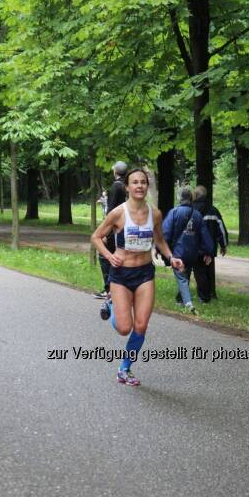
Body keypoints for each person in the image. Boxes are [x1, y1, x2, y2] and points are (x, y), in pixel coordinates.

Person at [91, 167, 183, 387]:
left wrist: (171, 257)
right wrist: (108, 255)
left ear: (147, 186)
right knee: (124, 328)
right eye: (135, 182)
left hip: (144, 274)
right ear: (127, 187)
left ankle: (125, 369)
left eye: (143, 182)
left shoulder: (155, 213)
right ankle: (112, 304)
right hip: (121, 275)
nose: (139, 186)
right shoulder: (118, 213)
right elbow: (95, 237)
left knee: (140, 326)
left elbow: (159, 240)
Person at [162, 187, 214, 314]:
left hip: (178, 253)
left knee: (182, 277)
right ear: (191, 198)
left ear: (179, 198)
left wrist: (161, 249)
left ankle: (186, 302)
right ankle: (181, 299)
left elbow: (166, 233)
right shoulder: (197, 214)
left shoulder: (174, 213)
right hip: (192, 253)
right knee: (184, 274)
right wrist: (209, 251)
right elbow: (204, 234)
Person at [93, 161, 128, 300]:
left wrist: (105, 233)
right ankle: (117, 287)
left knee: (104, 256)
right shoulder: (127, 186)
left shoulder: (116, 186)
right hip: (123, 226)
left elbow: (111, 210)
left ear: (115, 172)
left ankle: (109, 289)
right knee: (117, 255)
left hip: (113, 228)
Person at [192, 185, 228, 302]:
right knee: (209, 271)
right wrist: (223, 245)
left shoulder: (191, 209)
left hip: (194, 247)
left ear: (196, 195)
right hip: (209, 247)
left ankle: (201, 296)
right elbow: (221, 229)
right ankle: (210, 294)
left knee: (198, 271)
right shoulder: (213, 210)